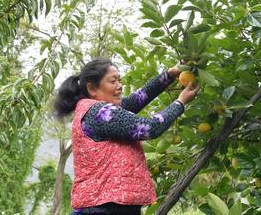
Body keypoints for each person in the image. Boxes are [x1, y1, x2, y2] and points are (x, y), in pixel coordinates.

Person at [54, 58, 199, 215]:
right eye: (113, 81)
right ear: (92, 88)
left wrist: (171, 73)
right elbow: (149, 128)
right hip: (104, 208)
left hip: (107, 205)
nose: (120, 86)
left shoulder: (97, 110)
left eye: (120, 80)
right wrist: (180, 103)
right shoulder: (99, 113)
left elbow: (138, 98)